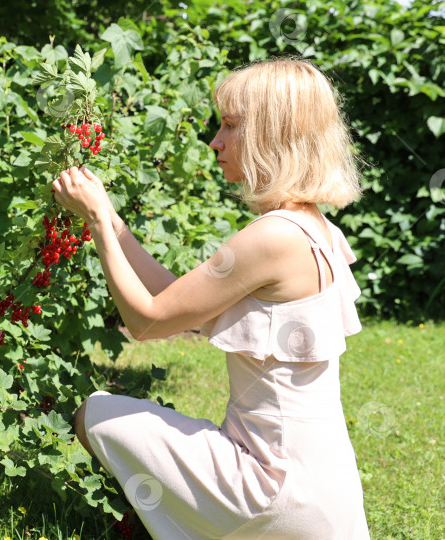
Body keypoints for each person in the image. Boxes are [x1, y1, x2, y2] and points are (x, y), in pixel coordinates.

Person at [51, 58, 370, 539]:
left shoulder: (272, 237)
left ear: (273, 135)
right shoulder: (314, 229)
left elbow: (148, 322)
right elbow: (177, 298)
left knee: (96, 414)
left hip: (273, 490)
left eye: (231, 126)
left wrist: (96, 223)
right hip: (329, 494)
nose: (215, 141)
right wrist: (114, 221)